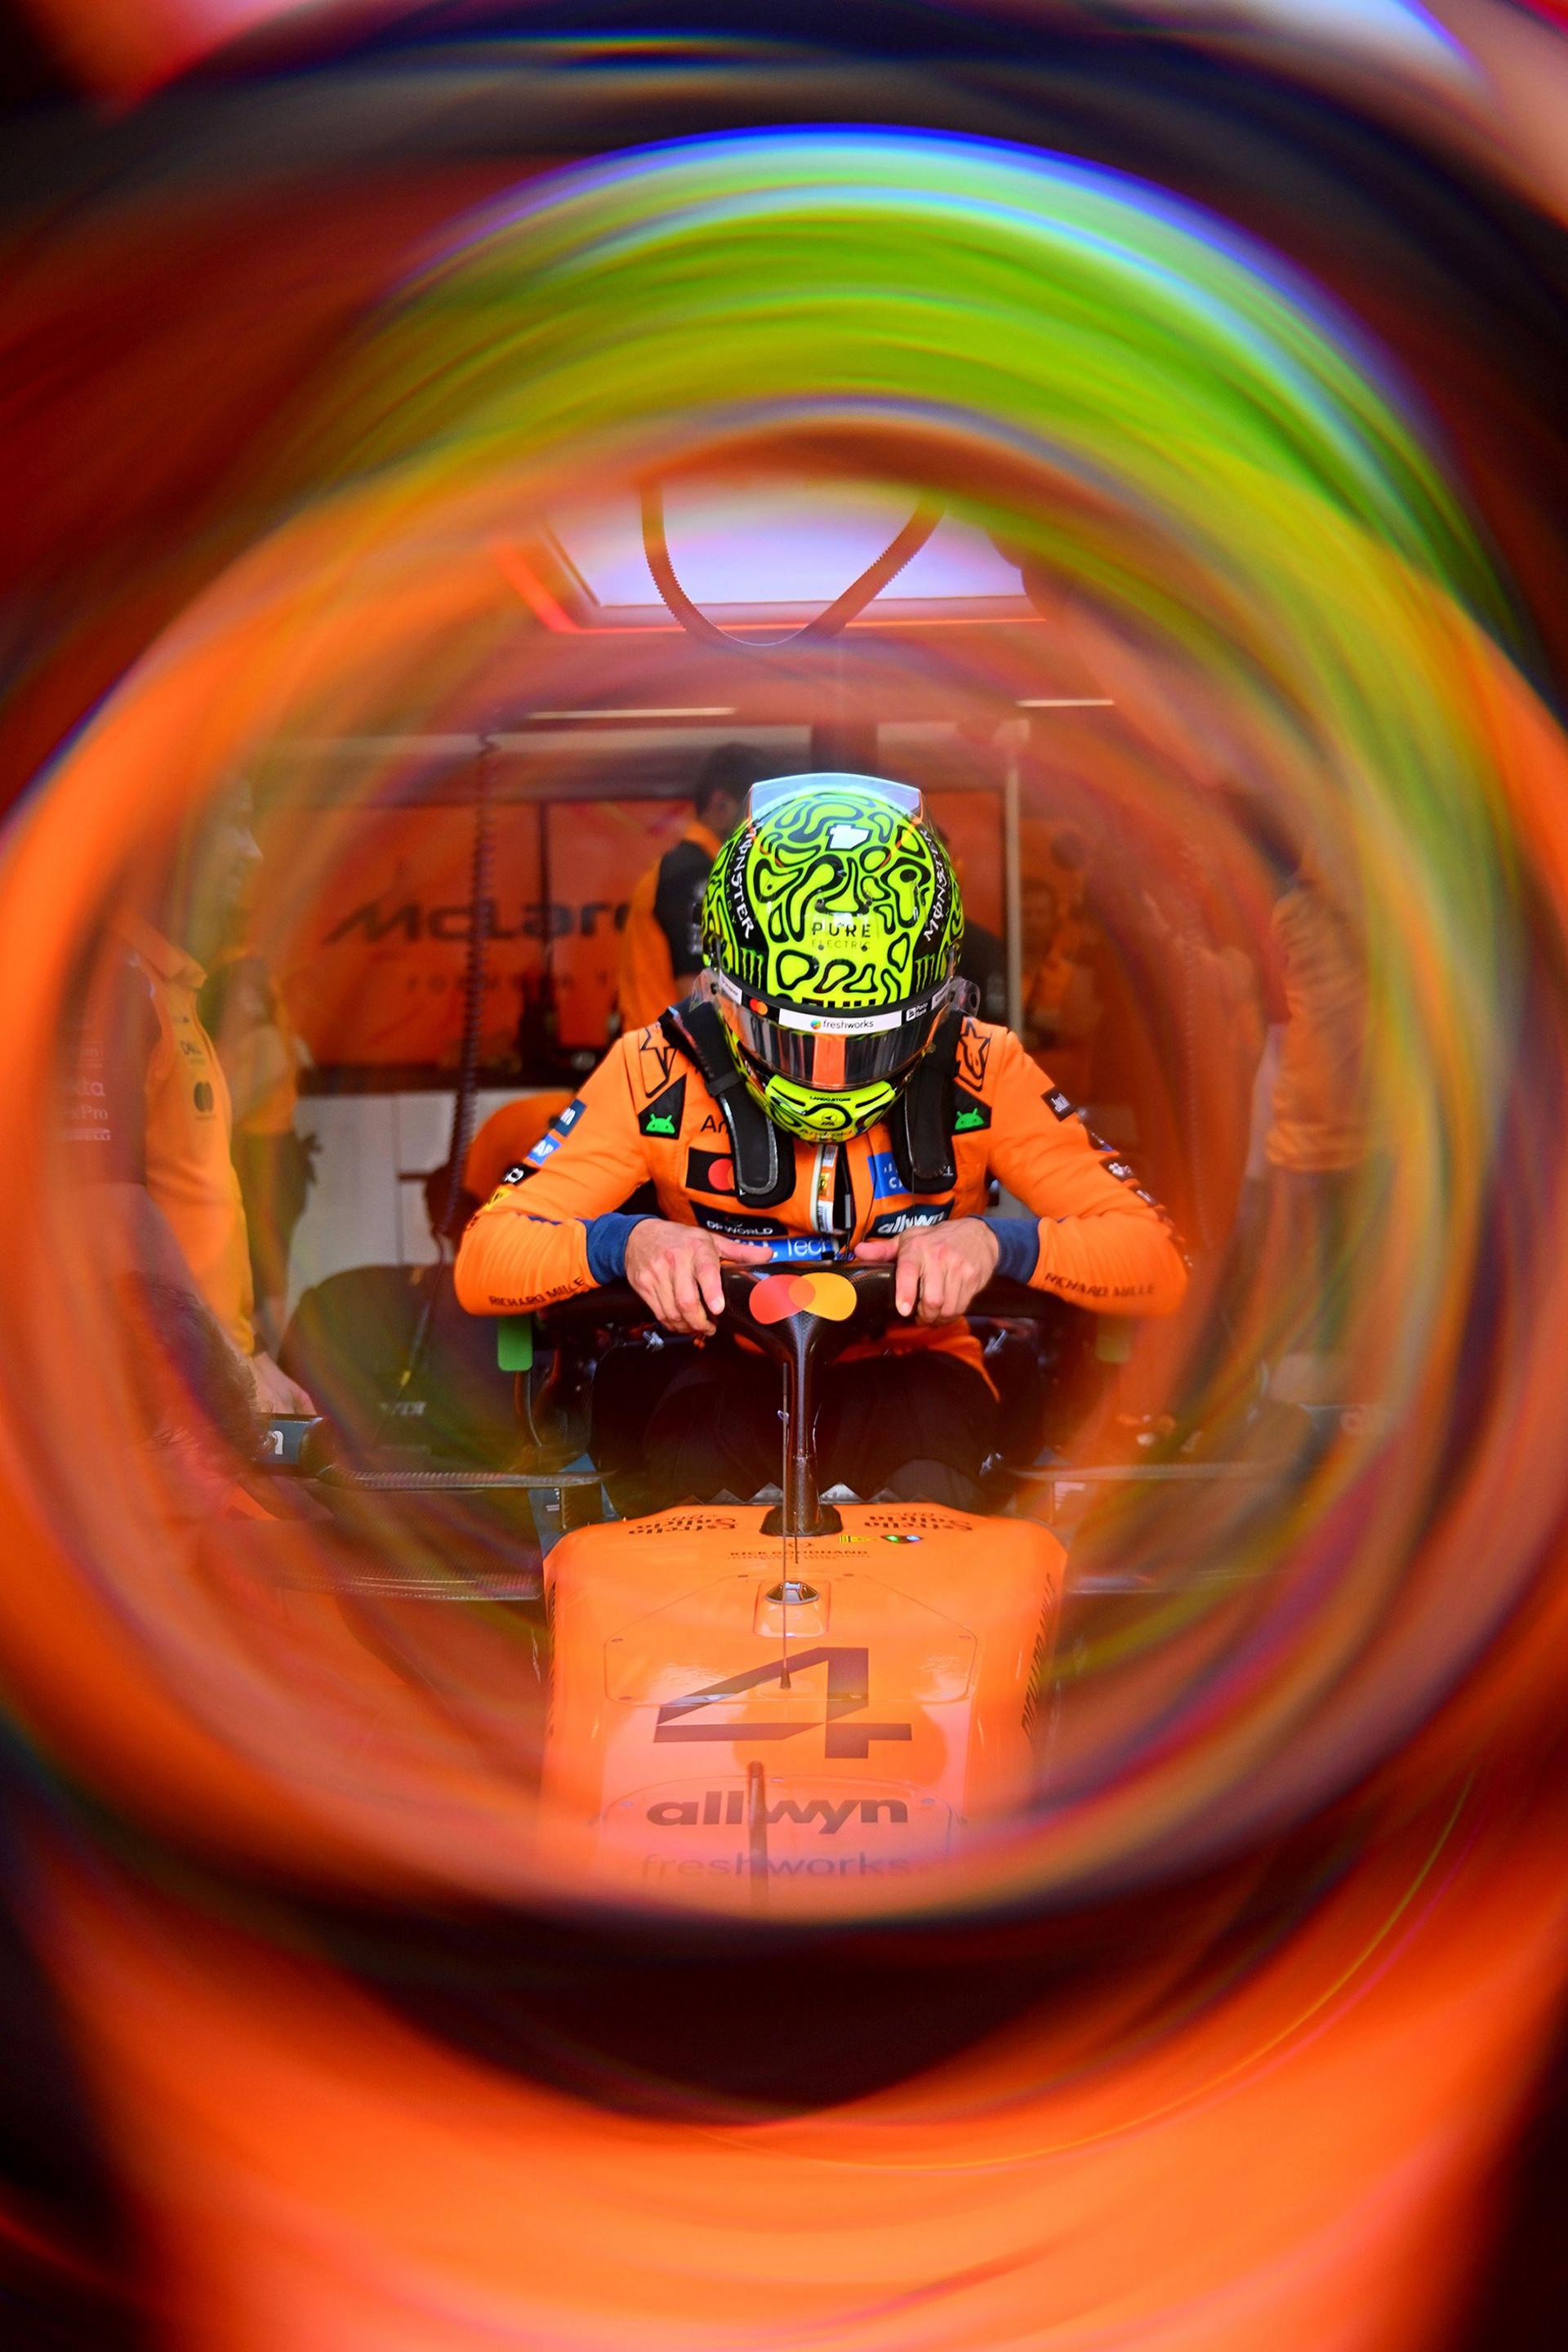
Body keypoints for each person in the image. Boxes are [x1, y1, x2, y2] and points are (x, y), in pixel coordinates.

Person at [457, 773, 1186, 1511]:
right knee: (685, 1465)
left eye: (870, 1042)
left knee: (932, 1474)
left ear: (939, 1004)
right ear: (720, 990)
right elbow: (486, 1259)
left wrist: (997, 1244)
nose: (833, 1081)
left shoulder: (982, 1062)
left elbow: (1155, 1256)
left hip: (918, 1371)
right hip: (732, 1375)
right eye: (794, 1040)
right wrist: (630, 1242)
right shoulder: (658, 1066)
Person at [62, 775, 314, 1417]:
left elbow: (188, 1199)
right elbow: (110, 1212)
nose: (254, 852)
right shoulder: (107, 989)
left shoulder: (165, 985)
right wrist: (226, 1375)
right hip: (158, 1395)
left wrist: (249, 1354)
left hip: (204, 1386)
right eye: (235, 823)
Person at [200, 948, 315, 1355]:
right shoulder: (253, 1038)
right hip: (263, 1160)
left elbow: (230, 1107)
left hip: (268, 1163)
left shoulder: (265, 1041)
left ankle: (268, 1365)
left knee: (264, 1279)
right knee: (257, 1275)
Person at [616, 743, 768, 1031]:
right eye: (750, 811)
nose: (755, 824)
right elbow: (695, 988)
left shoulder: (692, 869)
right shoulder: (692, 873)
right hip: (671, 1058)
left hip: (665, 1053)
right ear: (720, 802)